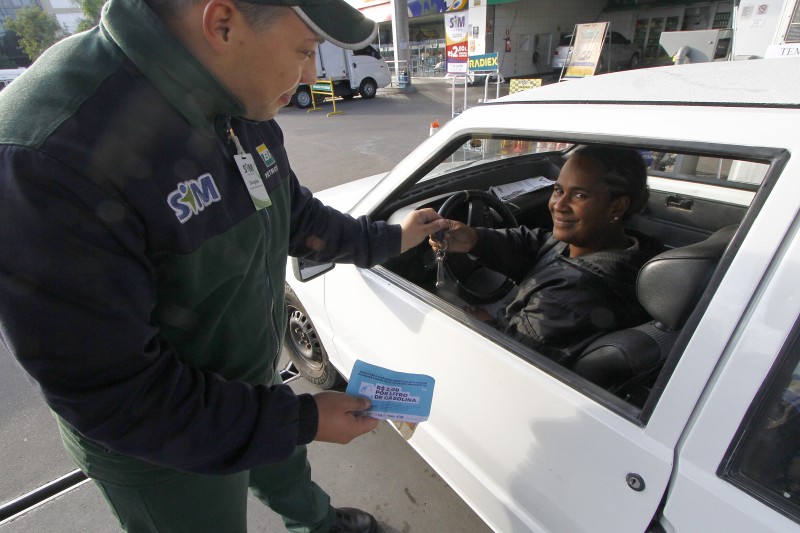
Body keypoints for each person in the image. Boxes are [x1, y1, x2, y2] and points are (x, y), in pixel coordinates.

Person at [0, 1, 446, 532]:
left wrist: (390, 238)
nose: (312, 75)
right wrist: (302, 418)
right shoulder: (51, 150)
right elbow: (119, 396)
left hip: (255, 388)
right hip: (162, 447)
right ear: (222, 24)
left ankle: (319, 524)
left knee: (288, 472)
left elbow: (291, 211)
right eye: (304, 52)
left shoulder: (237, 95)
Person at [431, 145, 655, 366]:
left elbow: (511, 357)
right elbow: (539, 245)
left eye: (579, 195)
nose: (559, 205)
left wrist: (488, 323)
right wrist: (474, 239)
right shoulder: (627, 247)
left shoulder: (568, 299)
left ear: (617, 207)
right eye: (558, 190)